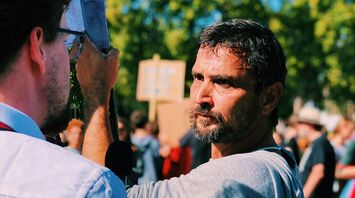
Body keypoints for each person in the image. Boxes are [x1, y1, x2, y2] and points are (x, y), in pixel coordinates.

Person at [84, 19, 304, 197]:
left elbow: (100, 193)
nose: (201, 97)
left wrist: (96, 90)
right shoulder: (272, 166)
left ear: (269, 98)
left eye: (223, 82)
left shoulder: (244, 174)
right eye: (198, 77)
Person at [0, 0, 126, 197]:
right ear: (38, 47)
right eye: (66, 39)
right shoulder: (86, 187)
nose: (72, 57)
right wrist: (97, 93)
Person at [297, 106, 336, 198]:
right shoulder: (315, 143)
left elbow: (318, 173)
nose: (298, 126)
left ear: (309, 124)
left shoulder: (320, 143)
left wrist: (303, 196)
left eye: (300, 123)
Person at [130, 110, 161, 185]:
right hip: (151, 183)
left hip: (134, 184)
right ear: (146, 124)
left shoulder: (130, 142)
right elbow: (159, 164)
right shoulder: (154, 142)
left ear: (133, 124)